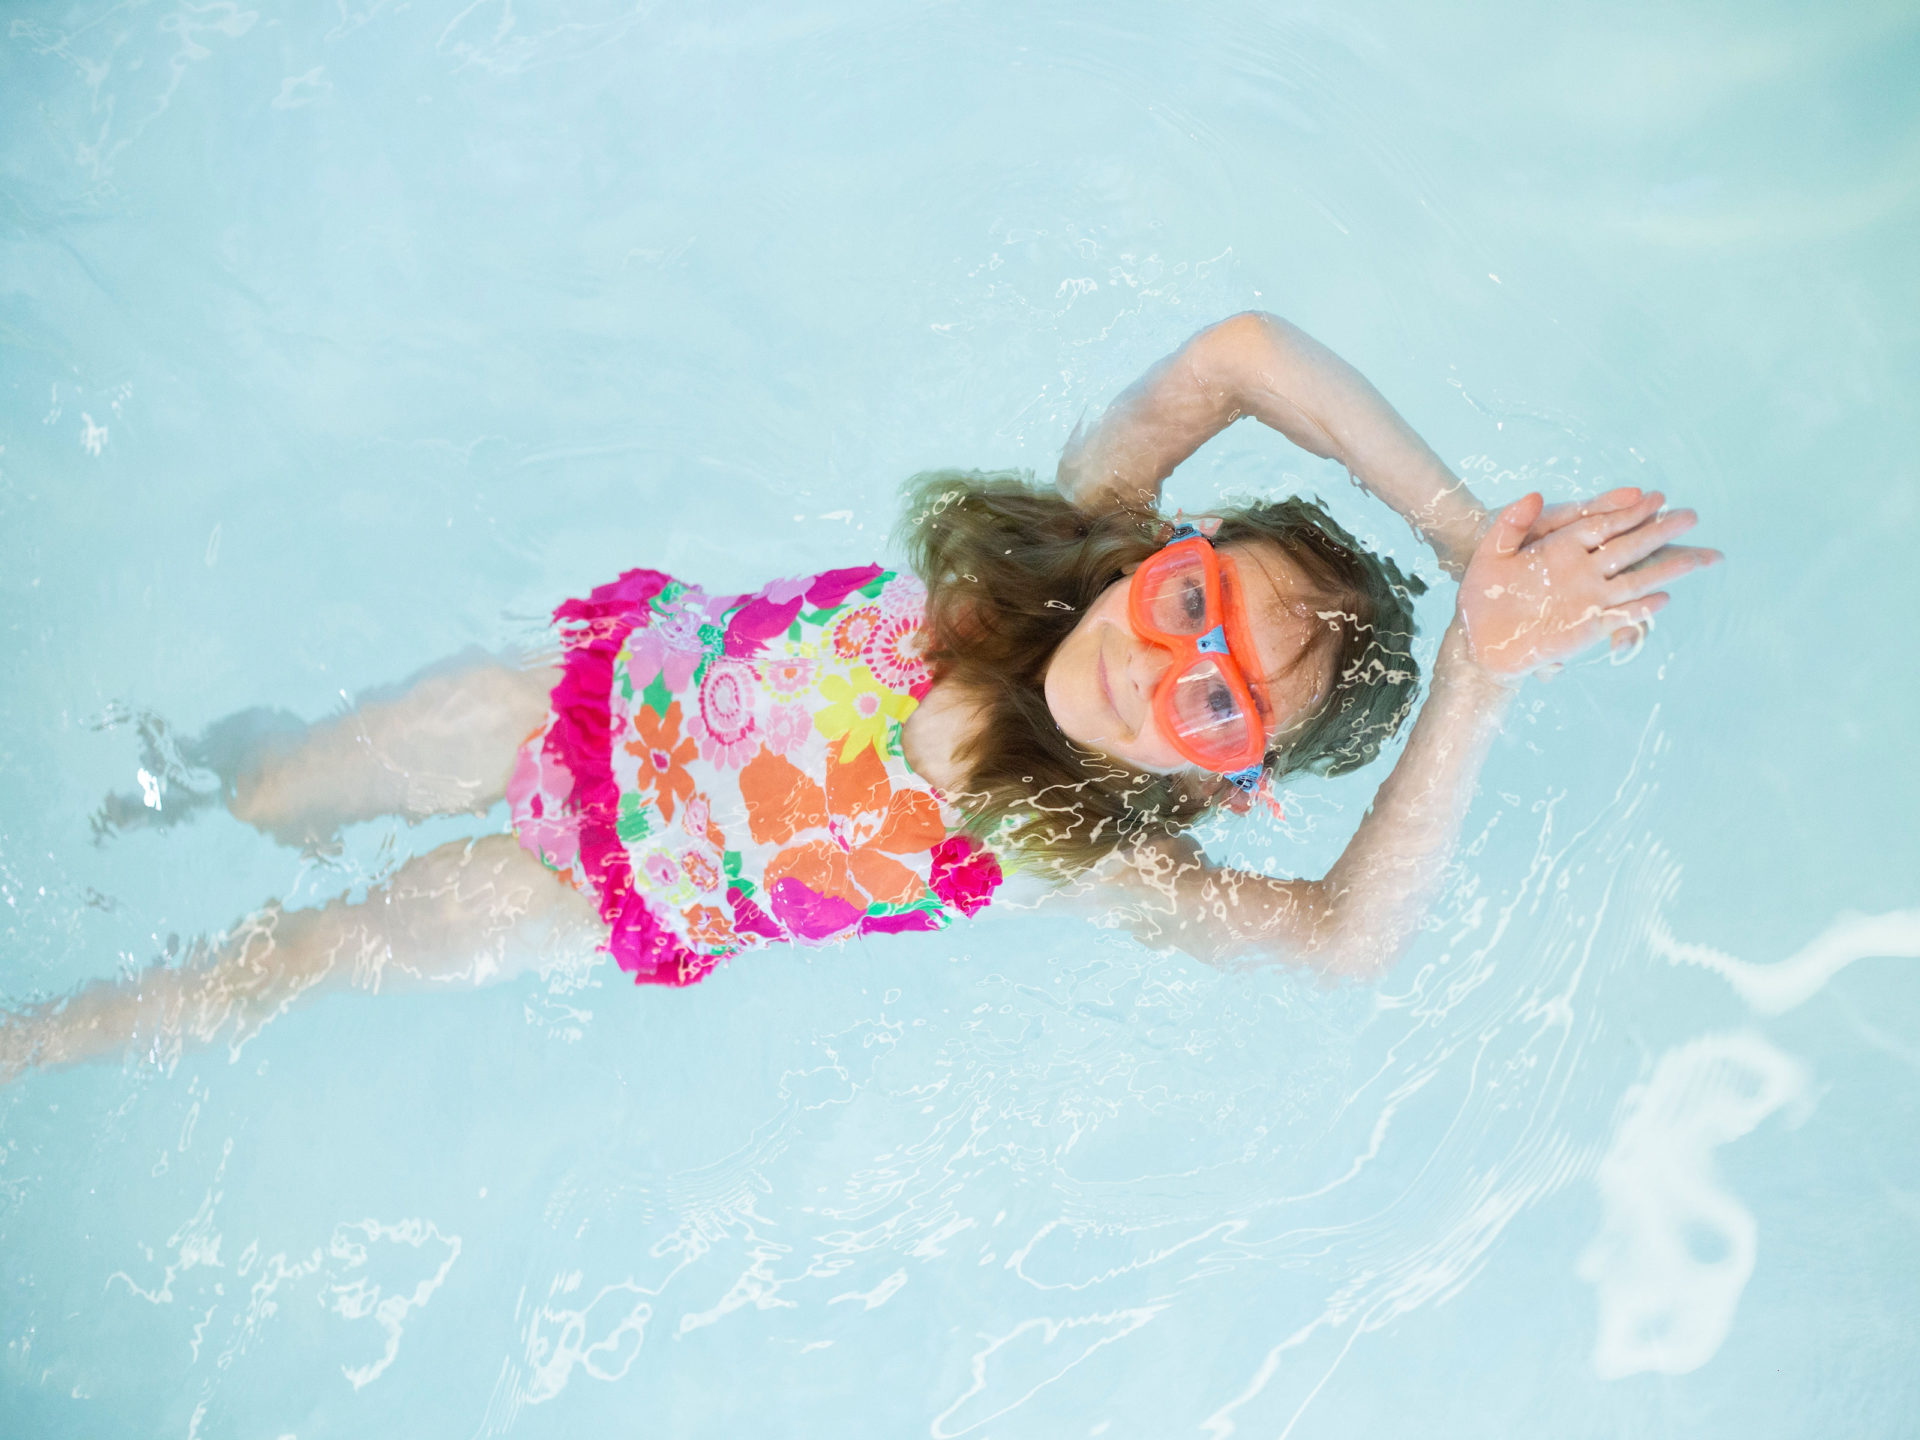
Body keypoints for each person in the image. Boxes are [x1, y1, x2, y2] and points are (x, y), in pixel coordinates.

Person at [0, 313, 1718, 1082]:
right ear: (1161, 547)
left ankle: (33, 1047)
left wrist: (1482, 677)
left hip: (594, 892)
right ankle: (178, 786)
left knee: (304, 959)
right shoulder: (1062, 533)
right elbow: (1240, 352)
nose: (1166, 658)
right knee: (281, 787)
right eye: (1195, 603)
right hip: (571, 708)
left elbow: (1345, 944)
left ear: (1220, 785)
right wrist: (1453, 523)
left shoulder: (1078, 842)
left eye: (1217, 705)